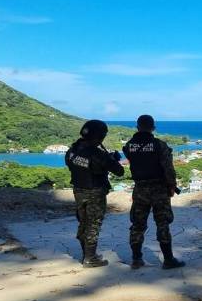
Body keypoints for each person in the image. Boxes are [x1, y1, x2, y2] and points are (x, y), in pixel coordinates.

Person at [123, 114, 184, 270]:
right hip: (159, 189)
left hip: (140, 189)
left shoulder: (129, 146)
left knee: (137, 224)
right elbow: (168, 169)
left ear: (137, 127)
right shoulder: (160, 145)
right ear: (153, 128)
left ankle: (136, 259)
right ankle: (168, 260)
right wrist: (172, 185)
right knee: (162, 223)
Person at [64, 120, 125, 268]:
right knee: (94, 224)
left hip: (78, 190)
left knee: (83, 221)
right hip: (95, 191)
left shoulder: (73, 150)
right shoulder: (98, 154)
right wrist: (112, 159)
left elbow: (74, 163)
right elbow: (119, 171)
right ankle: (90, 258)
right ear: (100, 136)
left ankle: (87, 253)